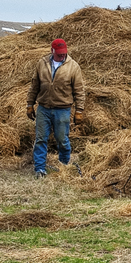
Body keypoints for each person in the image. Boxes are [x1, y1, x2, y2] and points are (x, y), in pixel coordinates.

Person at [27, 38, 85, 176]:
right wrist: (30, 104)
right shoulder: (42, 63)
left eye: (64, 53)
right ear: (52, 50)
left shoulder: (73, 66)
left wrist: (79, 111)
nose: (62, 55)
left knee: (62, 139)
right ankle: (40, 169)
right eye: (59, 53)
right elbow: (34, 85)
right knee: (41, 139)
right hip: (44, 108)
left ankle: (64, 165)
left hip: (62, 109)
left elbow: (79, 90)